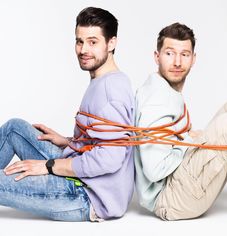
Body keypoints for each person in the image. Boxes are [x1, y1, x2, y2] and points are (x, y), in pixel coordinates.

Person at [0, 7, 135, 221]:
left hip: (86, 195)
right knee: (14, 128)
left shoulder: (111, 93)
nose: (83, 50)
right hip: (79, 170)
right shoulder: (107, 79)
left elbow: (110, 158)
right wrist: (69, 142)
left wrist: (48, 166)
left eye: (93, 42)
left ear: (111, 43)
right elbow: (102, 139)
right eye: (79, 41)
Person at [134, 22, 227, 220]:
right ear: (157, 57)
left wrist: (186, 140)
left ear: (193, 59)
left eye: (185, 54)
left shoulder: (163, 88)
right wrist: (187, 142)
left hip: (178, 181)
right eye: (169, 53)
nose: (177, 62)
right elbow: (155, 171)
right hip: (169, 198)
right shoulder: (156, 102)